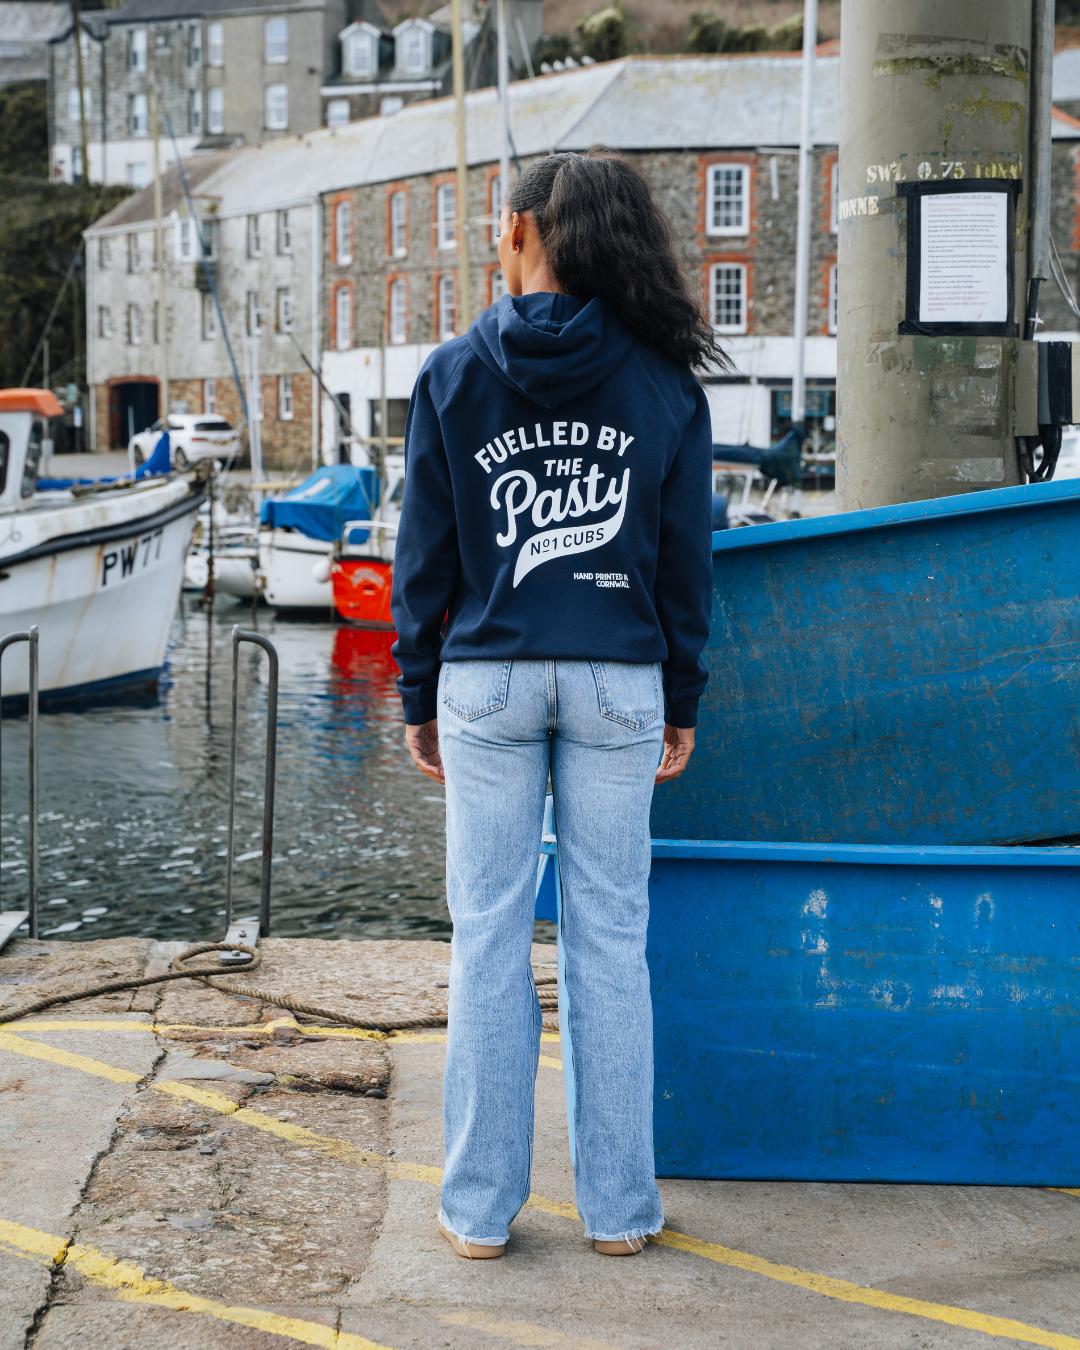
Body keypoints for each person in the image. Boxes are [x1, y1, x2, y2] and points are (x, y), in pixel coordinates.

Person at [390, 149, 724, 1260]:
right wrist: (680, 692)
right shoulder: (666, 383)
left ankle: (480, 1215)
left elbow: (424, 559)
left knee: (486, 938)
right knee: (609, 940)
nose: (497, 234)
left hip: (485, 675)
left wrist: (416, 690)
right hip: (618, 676)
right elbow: (686, 564)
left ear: (526, 231)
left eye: (502, 221)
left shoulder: (449, 374)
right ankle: (620, 1214)